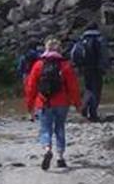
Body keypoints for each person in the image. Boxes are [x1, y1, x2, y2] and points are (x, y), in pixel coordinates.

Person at [22, 38, 81, 170]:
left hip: (43, 102)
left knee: (45, 128)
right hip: (62, 102)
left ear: (46, 49)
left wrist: (29, 105)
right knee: (60, 128)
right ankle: (60, 157)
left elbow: (31, 87)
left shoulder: (38, 65)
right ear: (59, 50)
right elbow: (73, 87)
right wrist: (77, 104)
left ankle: (47, 149)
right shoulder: (65, 65)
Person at [69, 27, 108, 122]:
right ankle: (93, 113)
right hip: (96, 68)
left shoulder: (82, 39)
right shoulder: (99, 39)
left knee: (88, 88)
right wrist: (104, 67)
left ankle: (84, 107)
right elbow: (104, 55)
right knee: (96, 90)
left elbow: (74, 54)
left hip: (84, 68)